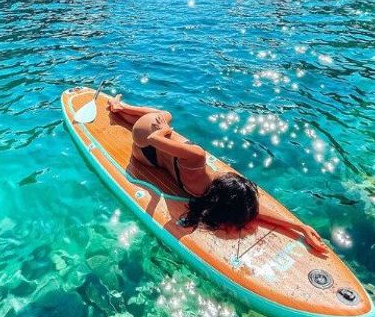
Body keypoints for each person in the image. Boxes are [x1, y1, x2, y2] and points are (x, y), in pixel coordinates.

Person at [106, 95, 327, 254]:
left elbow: (154, 139)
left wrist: (166, 128)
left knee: (163, 115)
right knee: (160, 120)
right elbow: (249, 210)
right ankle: (119, 107)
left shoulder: (198, 160)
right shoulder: (204, 194)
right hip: (150, 156)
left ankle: (119, 107)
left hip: (143, 147)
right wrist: (300, 227)